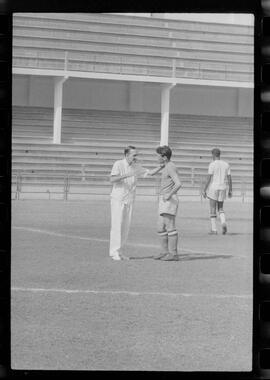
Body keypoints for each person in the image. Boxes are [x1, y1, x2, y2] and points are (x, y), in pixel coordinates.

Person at [109, 146, 164, 261]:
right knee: (117, 225)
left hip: (129, 199)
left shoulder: (136, 166)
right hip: (118, 199)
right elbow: (112, 179)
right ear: (126, 155)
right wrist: (127, 175)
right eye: (134, 155)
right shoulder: (118, 164)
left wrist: (161, 166)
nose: (136, 157)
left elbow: (150, 173)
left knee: (125, 227)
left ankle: (119, 251)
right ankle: (114, 251)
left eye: (137, 155)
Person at [152, 145, 182, 261]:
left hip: (169, 199)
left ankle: (174, 254)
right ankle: (164, 252)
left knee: (170, 226)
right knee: (160, 227)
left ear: (164, 157)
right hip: (164, 199)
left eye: (158, 156)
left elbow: (178, 183)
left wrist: (169, 194)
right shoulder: (166, 165)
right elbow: (151, 173)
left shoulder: (170, 167)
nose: (156, 158)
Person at [202, 148, 232, 234]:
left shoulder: (212, 164)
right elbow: (229, 178)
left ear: (213, 155)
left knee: (212, 208)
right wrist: (230, 190)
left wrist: (204, 189)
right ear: (219, 154)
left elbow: (209, 178)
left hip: (214, 187)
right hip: (223, 187)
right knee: (221, 208)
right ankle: (223, 222)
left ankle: (214, 229)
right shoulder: (226, 164)